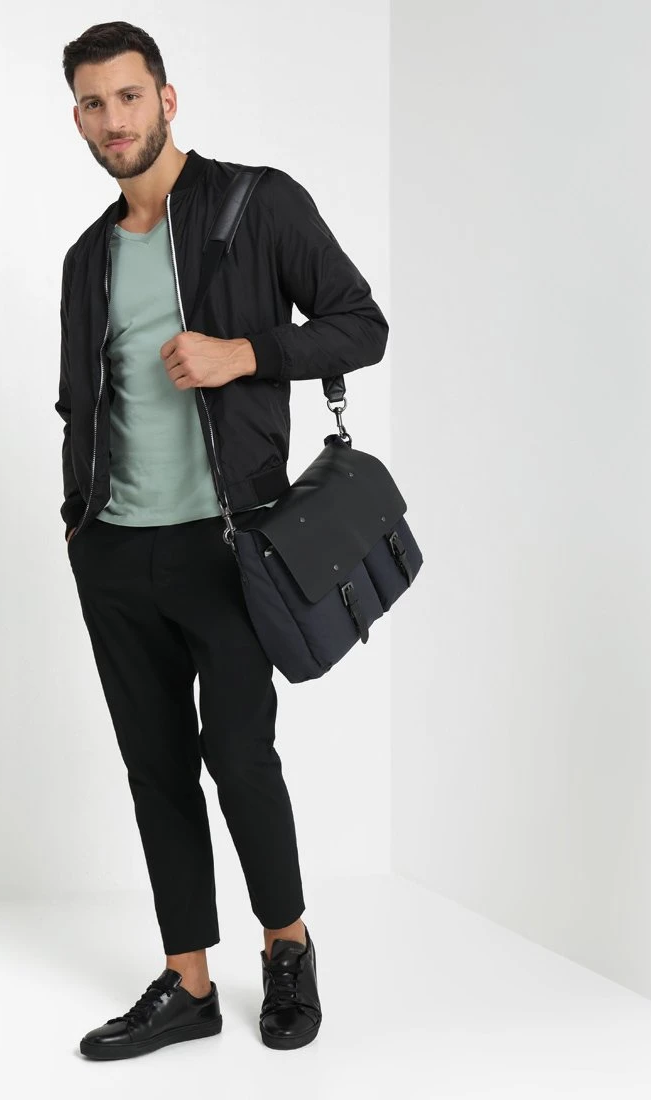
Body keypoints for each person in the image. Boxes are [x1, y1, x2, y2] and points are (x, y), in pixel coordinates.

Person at [57, 21, 389, 1059]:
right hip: (115, 551)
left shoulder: (257, 204)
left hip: (229, 544)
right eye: (93, 104)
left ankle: (287, 947)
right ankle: (189, 982)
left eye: (128, 96)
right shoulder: (86, 257)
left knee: (240, 755)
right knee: (155, 766)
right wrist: (79, 522)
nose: (114, 120)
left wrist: (245, 351)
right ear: (78, 119)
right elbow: (82, 403)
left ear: (167, 98)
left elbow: (361, 325)